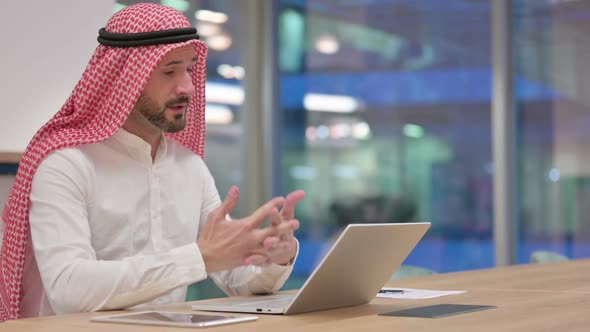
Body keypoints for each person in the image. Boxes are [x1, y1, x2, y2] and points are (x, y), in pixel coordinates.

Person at [0, 3, 304, 320]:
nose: (187, 85)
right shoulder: (67, 165)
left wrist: (274, 257)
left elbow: (236, 278)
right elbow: (69, 290)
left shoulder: (189, 166)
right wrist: (198, 258)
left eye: (190, 68)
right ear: (125, 78)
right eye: (170, 71)